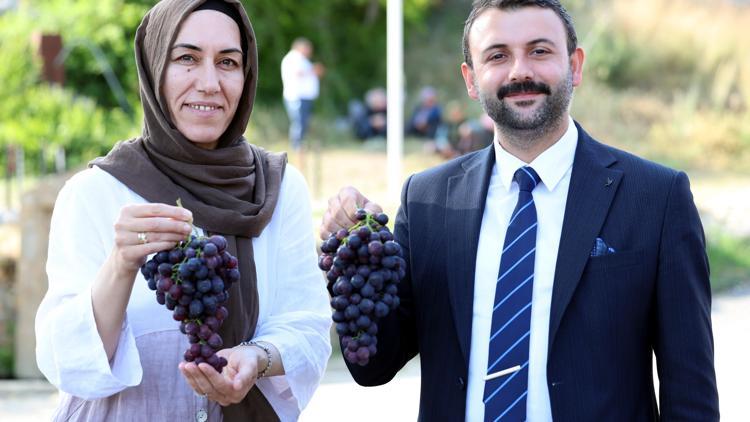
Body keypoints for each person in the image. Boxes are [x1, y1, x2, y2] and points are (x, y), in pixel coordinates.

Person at [320, 1, 719, 421]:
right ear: (471, 79)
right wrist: (353, 257)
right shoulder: (426, 201)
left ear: (575, 65)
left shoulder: (656, 197)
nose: (519, 72)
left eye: (540, 51)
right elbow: (374, 366)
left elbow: (690, 393)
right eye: (497, 56)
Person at [35, 1, 331, 421]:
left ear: (246, 76)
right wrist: (120, 265)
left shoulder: (279, 188)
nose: (209, 83)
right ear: (155, 67)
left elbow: (308, 328)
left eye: (227, 62)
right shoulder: (94, 194)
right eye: (186, 58)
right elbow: (62, 361)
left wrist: (257, 358)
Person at [281, 37, 324, 164]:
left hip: (304, 98)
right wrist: (313, 70)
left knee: (303, 124)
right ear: (300, 47)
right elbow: (297, 73)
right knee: (299, 123)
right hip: (297, 97)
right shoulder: (294, 58)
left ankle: (301, 148)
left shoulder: (302, 60)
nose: (309, 51)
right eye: (307, 48)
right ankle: (297, 149)